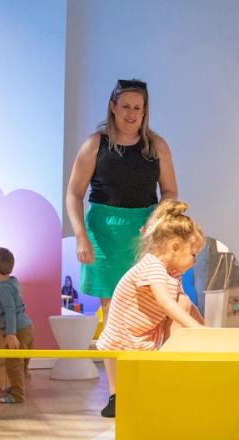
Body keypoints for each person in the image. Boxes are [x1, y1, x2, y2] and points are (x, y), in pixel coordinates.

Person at [65, 78, 178, 321]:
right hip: (103, 235)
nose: (131, 113)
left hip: (144, 235)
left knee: (147, 310)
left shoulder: (157, 146)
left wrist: (155, 221)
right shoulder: (95, 144)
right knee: (112, 313)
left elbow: (169, 191)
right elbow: (74, 193)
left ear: (144, 111)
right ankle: (114, 360)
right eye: (126, 106)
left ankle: (141, 359)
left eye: (137, 107)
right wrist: (80, 237)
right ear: (113, 106)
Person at [95, 200, 205, 418]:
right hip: (124, 334)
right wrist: (197, 329)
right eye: (193, 254)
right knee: (121, 394)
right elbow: (165, 302)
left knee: (183, 302)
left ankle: (163, 365)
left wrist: (205, 329)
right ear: (175, 247)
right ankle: (117, 396)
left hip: (144, 332)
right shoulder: (153, 266)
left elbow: (185, 303)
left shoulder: (173, 272)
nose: (194, 261)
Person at [0, 247, 34, 403]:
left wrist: (10, 334)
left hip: (18, 331)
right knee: (22, 363)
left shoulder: (1, 289)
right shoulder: (13, 281)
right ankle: (19, 388)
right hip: (27, 327)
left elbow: (10, 311)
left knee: (14, 364)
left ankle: (17, 395)